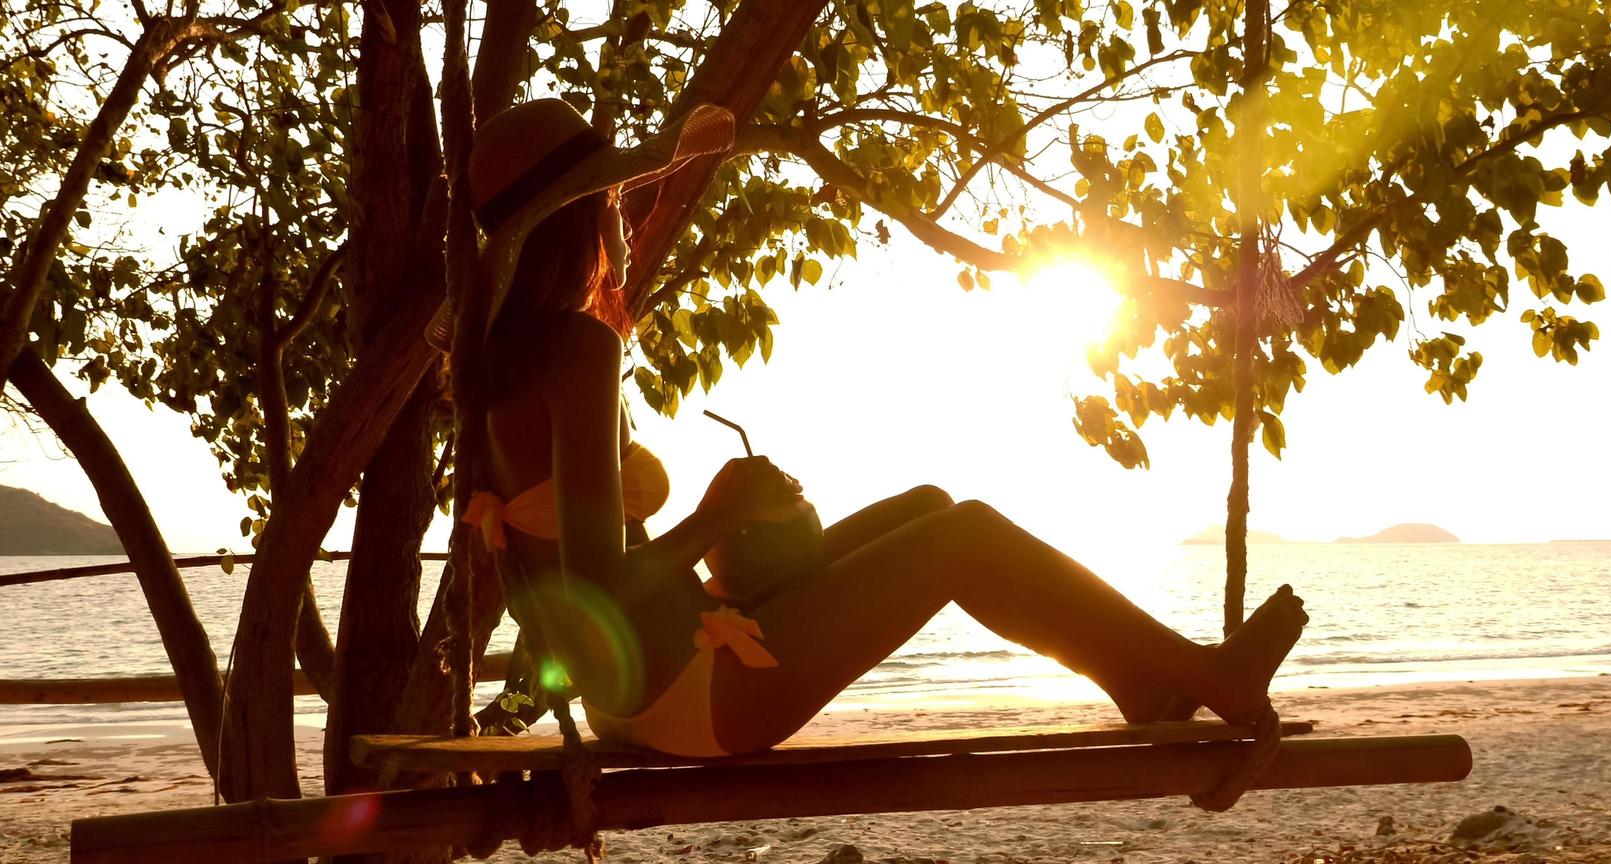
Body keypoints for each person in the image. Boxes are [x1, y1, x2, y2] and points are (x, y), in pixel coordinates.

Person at [434, 99, 1308, 759]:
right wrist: (717, 519)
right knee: (963, 538)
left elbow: (558, 585)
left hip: (654, 675)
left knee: (931, 504)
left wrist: (727, 556)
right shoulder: (578, 348)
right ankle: (1203, 674)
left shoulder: (500, 363)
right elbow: (601, 589)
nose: (621, 220)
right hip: (690, 694)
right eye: (611, 200)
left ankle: (1139, 680)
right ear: (576, 220)